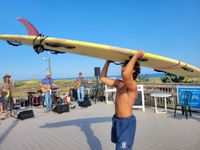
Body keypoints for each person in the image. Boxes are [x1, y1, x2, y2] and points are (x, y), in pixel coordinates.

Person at [100, 51, 144, 150]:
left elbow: (125, 74)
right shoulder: (119, 84)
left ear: (133, 70)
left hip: (127, 123)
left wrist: (136, 56)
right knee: (119, 146)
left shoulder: (132, 86)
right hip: (116, 120)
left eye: (125, 65)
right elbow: (102, 78)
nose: (122, 67)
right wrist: (108, 62)